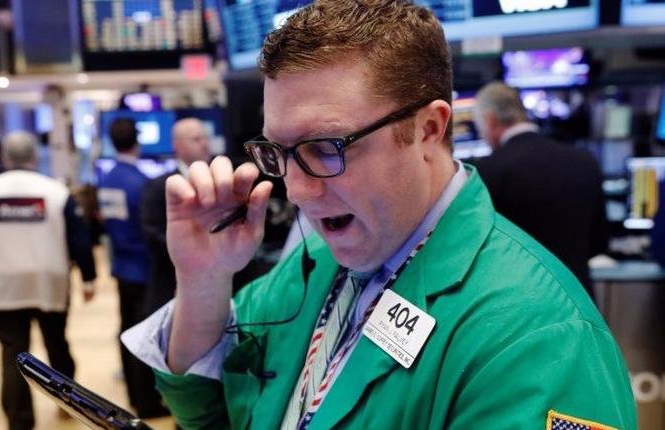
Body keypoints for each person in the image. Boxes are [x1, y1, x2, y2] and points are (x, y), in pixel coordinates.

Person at [122, 1, 636, 429]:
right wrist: (203, 279)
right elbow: (208, 414)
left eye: (325, 147)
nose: (296, 189)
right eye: (278, 151)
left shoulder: (539, 336)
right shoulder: (314, 264)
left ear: (429, 128)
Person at [0, 130, 97, 430]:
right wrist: (88, 278)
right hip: (49, 280)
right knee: (57, 345)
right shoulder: (55, 191)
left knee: (13, 353)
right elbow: (79, 239)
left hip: (3, 283)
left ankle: (19, 420)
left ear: (4, 157)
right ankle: (69, 405)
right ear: (35, 157)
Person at [472, 81, 608, 297]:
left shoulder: (486, 171)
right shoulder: (585, 161)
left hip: (519, 306)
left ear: (489, 119)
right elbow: (598, 244)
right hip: (580, 304)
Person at [96, 118, 165, 417]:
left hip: (121, 266)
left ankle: (135, 398)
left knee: (124, 330)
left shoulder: (107, 179)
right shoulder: (141, 182)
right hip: (143, 268)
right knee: (142, 335)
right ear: (137, 140)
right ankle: (147, 403)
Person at [140, 117, 211, 316]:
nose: (204, 143)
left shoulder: (224, 183)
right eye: (196, 139)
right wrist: (194, 251)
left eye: (205, 137)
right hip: (170, 285)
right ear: (177, 145)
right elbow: (152, 234)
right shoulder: (158, 188)